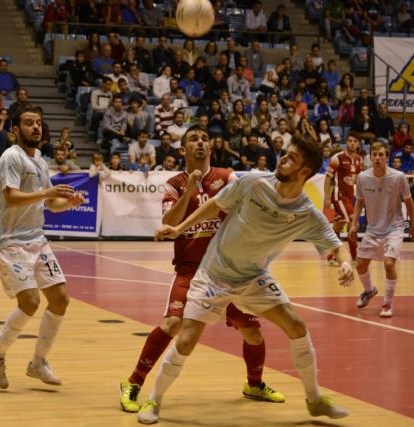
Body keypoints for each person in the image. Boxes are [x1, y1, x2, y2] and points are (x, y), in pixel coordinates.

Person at [138, 136, 354, 424]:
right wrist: (178, 228)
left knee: (297, 326)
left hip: (253, 277)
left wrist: (346, 264)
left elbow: (337, 245)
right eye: (285, 154)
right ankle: (153, 400)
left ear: (304, 172)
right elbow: (214, 204)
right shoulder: (253, 181)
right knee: (187, 340)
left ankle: (314, 399)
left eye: (291, 158)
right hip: (214, 273)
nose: (283, 160)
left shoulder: (307, 213)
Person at [120, 125, 284, 413]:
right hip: (190, 270)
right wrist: (190, 192)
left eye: (205, 139)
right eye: (193, 139)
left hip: (227, 272)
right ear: (182, 150)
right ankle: (133, 382)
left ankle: (254, 384)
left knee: (253, 333)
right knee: (172, 324)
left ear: (210, 148)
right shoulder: (174, 183)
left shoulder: (227, 177)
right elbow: (169, 225)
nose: (200, 143)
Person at [0, 106, 85, 390]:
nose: (36, 128)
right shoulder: (11, 158)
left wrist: (69, 203)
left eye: (39, 123)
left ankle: (38, 362)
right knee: (29, 302)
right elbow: (13, 198)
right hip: (11, 241)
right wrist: (48, 193)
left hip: (37, 240)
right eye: (29, 123)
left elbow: (50, 204)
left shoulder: (39, 161)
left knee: (60, 299)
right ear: (16, 129)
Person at [349, 139, 414, 318]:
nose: (377, 158)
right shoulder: (363, 177)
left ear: (387, 157)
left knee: (389, 263)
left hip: (394, 227)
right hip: (372, 229)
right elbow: (360, 202)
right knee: (360, 265)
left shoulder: (398, 177)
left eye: (381, 155)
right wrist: (354, 224)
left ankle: (387, 304)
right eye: (374, 154)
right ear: (370, 157)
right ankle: (370, 290)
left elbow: (408, 201)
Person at [323, 131, 363, 263]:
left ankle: (332, 255)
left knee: (338, 226)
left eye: (355, 141)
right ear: (346, 142)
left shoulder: (359, 159)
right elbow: (328, 178)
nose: (352, 143)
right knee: (353, 223)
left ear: (358, 144)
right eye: (350, 141)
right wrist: (327, 197)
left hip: (351, 196)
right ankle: (354, 256)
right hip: (339, 195)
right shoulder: (337, 157)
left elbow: (358, 180)